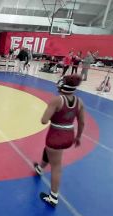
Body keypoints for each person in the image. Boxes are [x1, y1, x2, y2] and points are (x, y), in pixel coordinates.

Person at [33, 74, 85, 207]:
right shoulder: (79, 101)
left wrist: (53, 113)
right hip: (69, 135)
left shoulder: (57, 100)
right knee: (50, 152)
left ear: (61, 85)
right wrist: (78, 137)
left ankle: (53, 197)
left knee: (56, 167)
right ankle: (40, 168)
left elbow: (44, 120)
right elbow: (82, 122)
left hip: (56, 136)